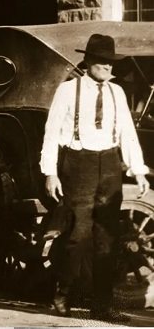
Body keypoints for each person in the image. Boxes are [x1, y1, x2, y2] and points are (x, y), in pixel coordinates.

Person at [40, 33, 150, 321]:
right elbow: (51, 133)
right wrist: (50, 173)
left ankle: (101, 304)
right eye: (102, 62)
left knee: (107, 239)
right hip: (79, 164)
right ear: (88, 61)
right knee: (77, 235)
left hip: (110, 164)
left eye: (111, 63)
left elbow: (127, 132)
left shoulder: (117, 92)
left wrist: (138, 171)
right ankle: (63, 293)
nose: (108, 68)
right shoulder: (68, 90)